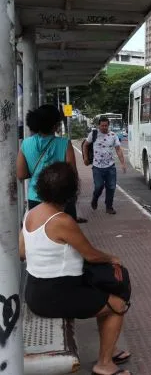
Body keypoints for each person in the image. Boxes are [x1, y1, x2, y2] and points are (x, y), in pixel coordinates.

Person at [19, 162, 132, 375]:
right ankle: (104, 364)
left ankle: (110, 348)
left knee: (101, 296)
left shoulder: (31, 213)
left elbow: (22, 252)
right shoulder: (61, 220)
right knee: (118, 303)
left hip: (34, 293)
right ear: (71, 191)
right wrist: (113, 258)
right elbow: (90, 254)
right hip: (57, 296)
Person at [16, 104, 87, 223]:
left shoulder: (26, 144)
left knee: (40, 235)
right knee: (65, 236)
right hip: (62, 198)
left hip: (36, 197)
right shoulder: (65, 144)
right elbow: (72, 173)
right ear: (54, 126)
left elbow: (21, 174)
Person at [83, 117, 127, 215]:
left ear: (108, 125)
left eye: (106, 125)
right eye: (102, 125)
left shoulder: (113, 135)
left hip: (110, 166)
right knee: (99, 186)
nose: (104, 127)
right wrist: (85, 158)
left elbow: (118, 149)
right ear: (99, 125)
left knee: (111, 187)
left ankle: (109, 207)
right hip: (97, 167)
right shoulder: (93, 134)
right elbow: (85, 145)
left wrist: (123, 163)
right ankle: (95, 199)